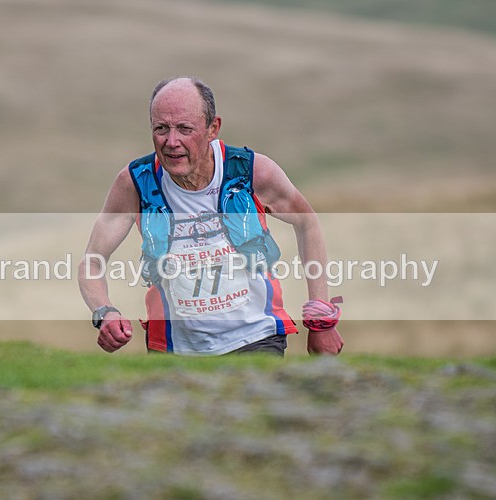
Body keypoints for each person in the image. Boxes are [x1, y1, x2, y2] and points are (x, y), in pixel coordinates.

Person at [78, 77, 343, 356]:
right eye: (161, 129)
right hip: (172, 348)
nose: (171, 142)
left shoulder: (250, 171)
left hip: (256, 338)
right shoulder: (136, 182)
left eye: (184, 129)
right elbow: (92, 260)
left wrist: (321, 318)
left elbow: (307, 222)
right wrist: (104, 311)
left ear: (212, 128)